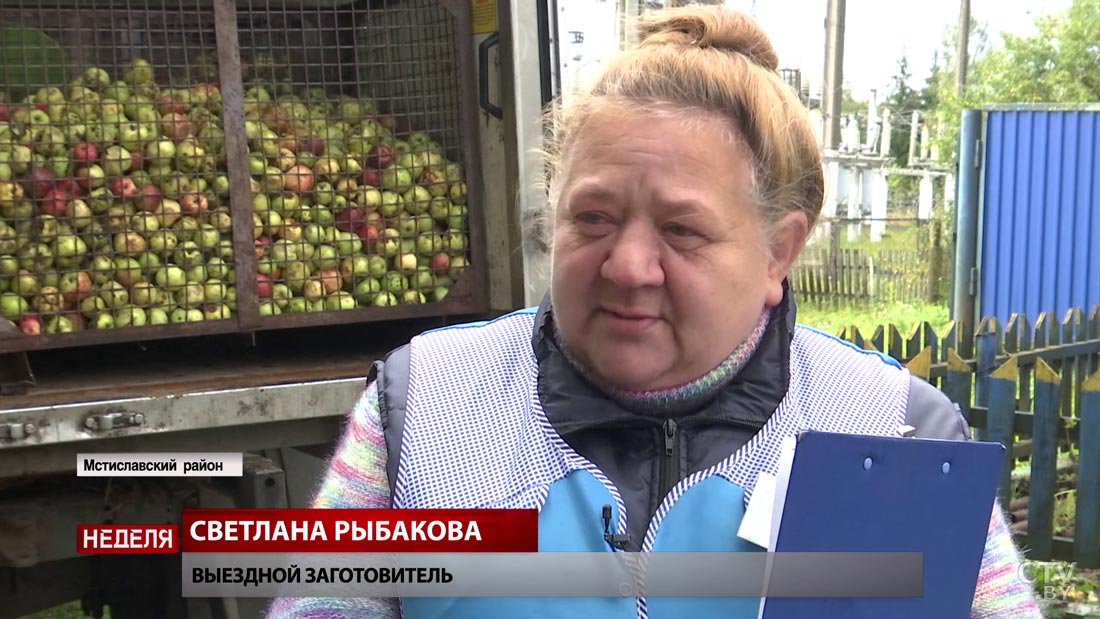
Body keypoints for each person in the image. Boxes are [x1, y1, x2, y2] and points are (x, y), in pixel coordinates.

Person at [267, 6, 1041, 618]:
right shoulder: (424, 409)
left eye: (681, 229)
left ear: (779, 250)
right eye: (593, 217)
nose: (628, 266)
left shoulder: (890, 429)